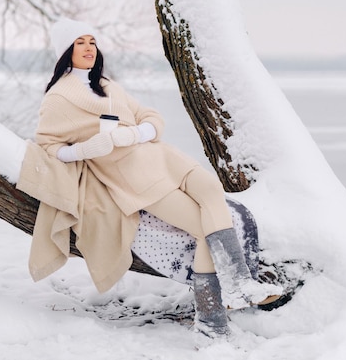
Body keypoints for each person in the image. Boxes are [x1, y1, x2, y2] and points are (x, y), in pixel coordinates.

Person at [23, 18, 280, 338]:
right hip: (133, 179)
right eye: (80, 43)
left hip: (163, 158)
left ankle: (239, 283)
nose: (89, 48)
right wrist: (87, 148)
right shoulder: (58, 99)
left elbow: (152, 117)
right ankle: (211, 324)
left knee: (212, 190)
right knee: (203, 229)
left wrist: (134, 133)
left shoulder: (107, 85)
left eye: (92, 41)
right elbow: (48, 148)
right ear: (66, 51)